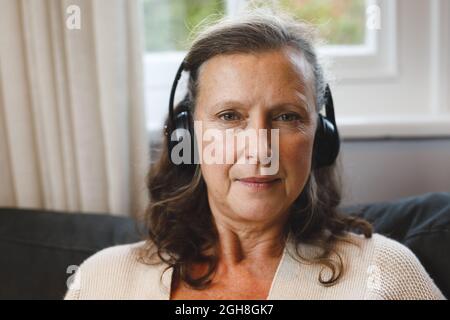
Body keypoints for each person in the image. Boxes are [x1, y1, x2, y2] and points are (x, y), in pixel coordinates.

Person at [65, 9, 445, 300]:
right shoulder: (101, 280)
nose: (260, 147)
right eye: (230, 116)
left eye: (286, 116)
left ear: (321, 137)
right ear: (189, 135)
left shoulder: (382, 274)